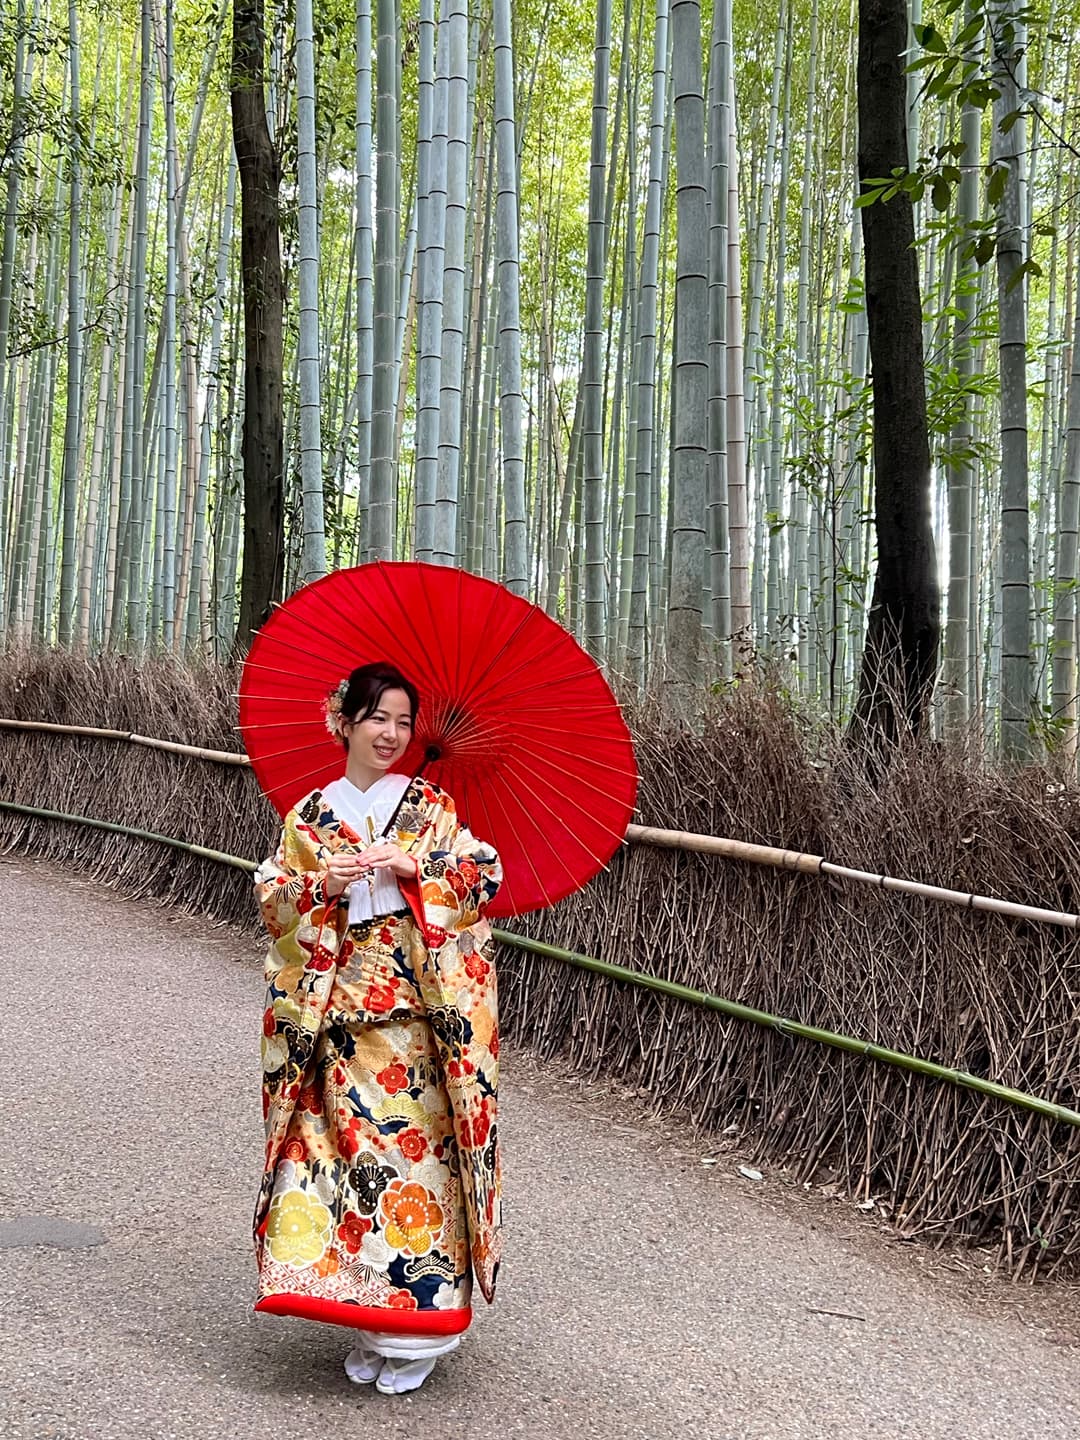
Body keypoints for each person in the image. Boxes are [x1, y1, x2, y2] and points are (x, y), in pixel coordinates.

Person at [252, 662, 503, 1395]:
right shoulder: (310, 816)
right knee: (336, 1167)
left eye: (403, 721)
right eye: (377, 718)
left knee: (411, 1171)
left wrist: (417, 864)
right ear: (344, 722)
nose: (392, 734)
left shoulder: (429, 808)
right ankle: (366, 1316)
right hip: (332, 1021)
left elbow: (482, 876)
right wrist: (320, 885)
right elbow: (272, 896)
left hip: (414, 1030)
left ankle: (414, 1330)